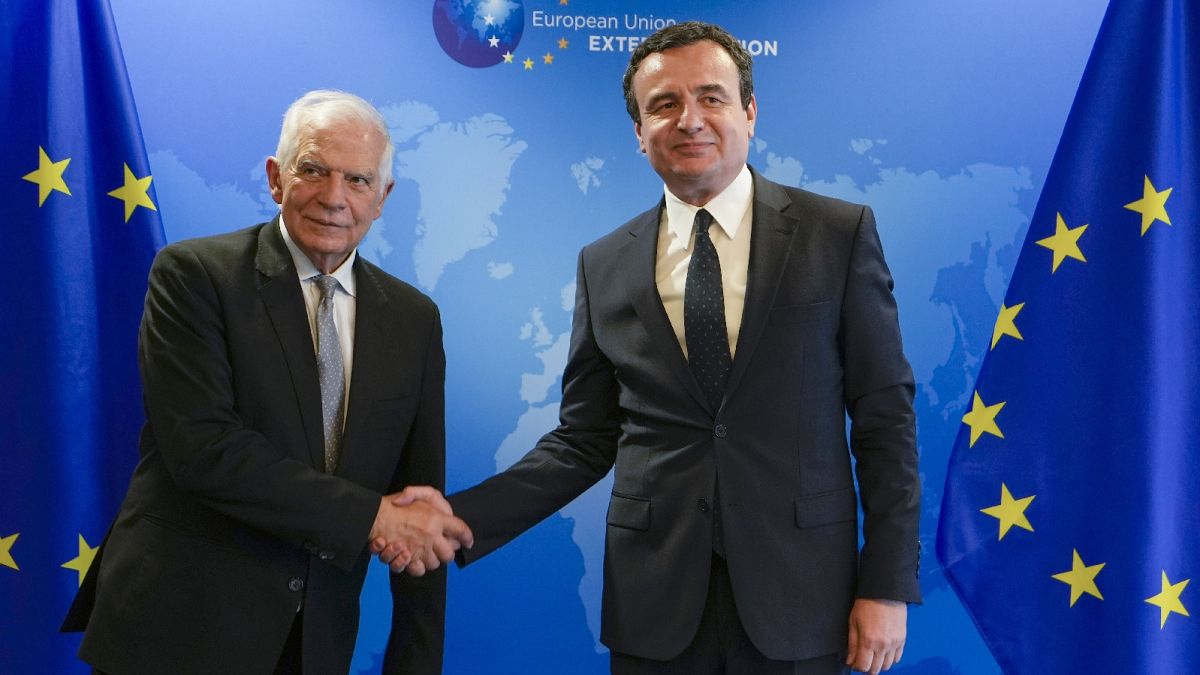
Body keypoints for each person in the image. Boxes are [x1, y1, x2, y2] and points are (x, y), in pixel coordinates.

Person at [412, 21, 920, 675]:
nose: (690, 120)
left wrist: (885, 585)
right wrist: (459, 516)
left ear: (749, 111)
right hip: (655, 605)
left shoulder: (837, 234)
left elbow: (886, 421)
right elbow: (584, 438)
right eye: (664, 105)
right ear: (638, 133)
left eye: (711, 97)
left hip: (802, 600)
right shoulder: (605, 264)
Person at [61, 90, 473, 674]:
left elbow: (419, 499)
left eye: (358, 180)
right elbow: (204, 450)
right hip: (175, 632)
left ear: (383, 198)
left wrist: (415, 661)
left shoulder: (414, 318)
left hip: (311, 643)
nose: (334, 198)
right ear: (276, 178)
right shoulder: (195, 275)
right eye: (314, 170)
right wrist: (373, 518)